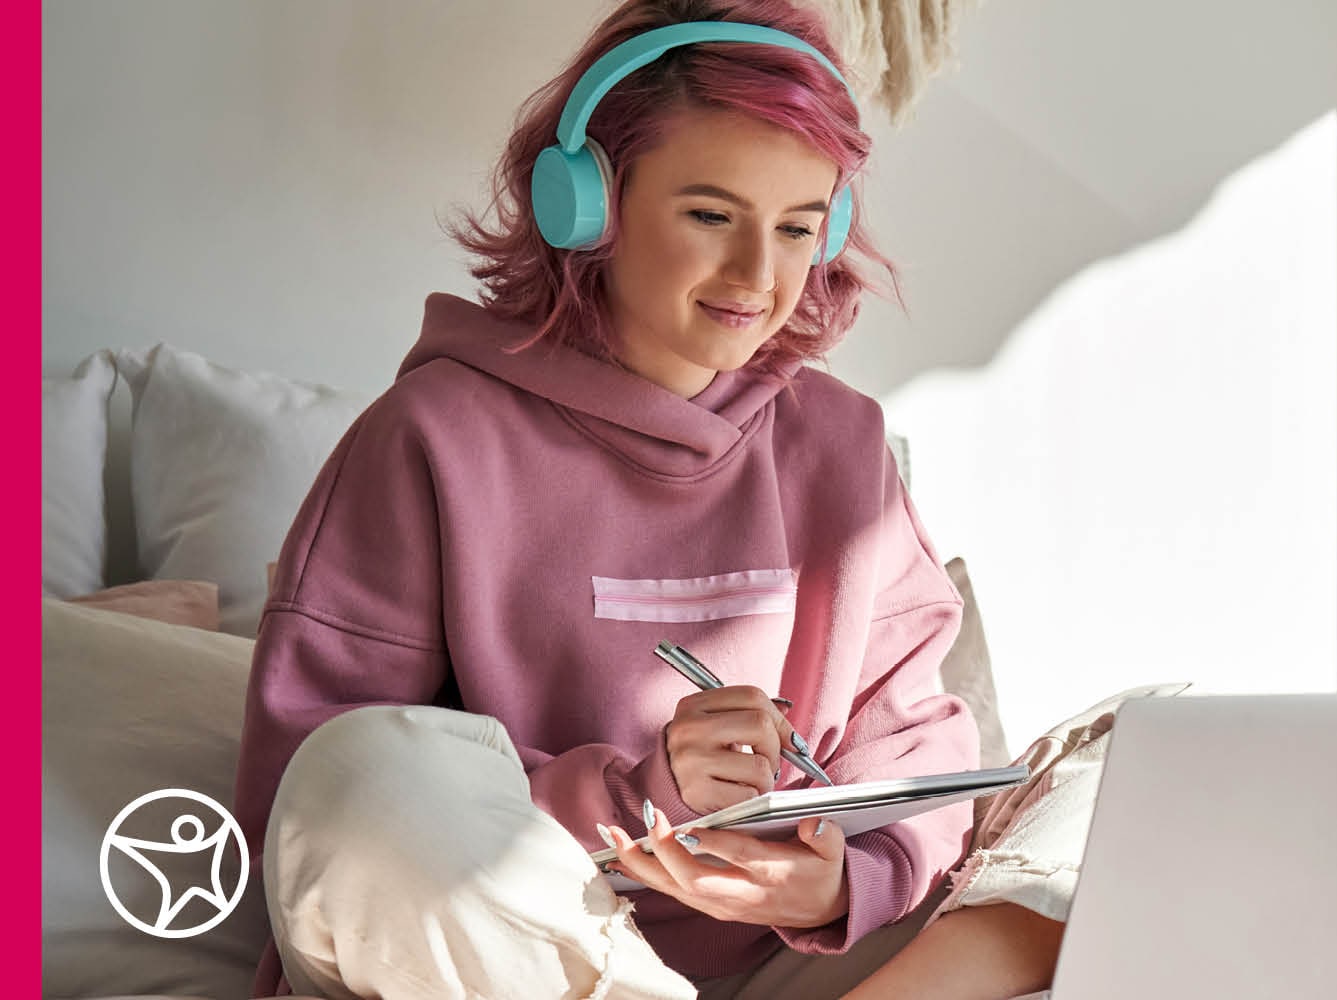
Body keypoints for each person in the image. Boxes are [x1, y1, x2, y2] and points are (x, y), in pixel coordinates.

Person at [229, 1, 1107, 996]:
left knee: (1128, 761)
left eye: (795, 229)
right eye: (709, 215)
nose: (757, 275)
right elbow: (309, 801)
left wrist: (836, 885)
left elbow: (917, 741)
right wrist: (636, 797)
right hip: (515, 959)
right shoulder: (429, 437)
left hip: (790, 964)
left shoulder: (843, 443)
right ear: (585, 204)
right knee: (364, 774)